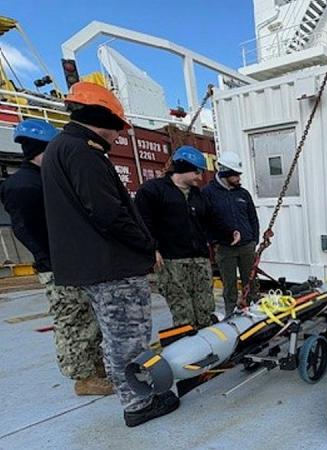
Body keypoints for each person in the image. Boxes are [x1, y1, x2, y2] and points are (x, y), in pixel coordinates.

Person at [41, 81, 178, 427]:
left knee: (116, 336)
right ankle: (138, 404)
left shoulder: (62, 149)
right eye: (116, 128)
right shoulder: (84, 153)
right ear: (101, 118)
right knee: (127, 339)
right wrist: (148, 246)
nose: (118, 136)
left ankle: (133, 393)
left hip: (95, 266)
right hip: (111, 266)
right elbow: (109, 213)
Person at [0, 119, 112, 396]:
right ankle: (84, 378)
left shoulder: (47, 179)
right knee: (73, 321)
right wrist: (53, 260)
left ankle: (94, 368)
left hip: (75, 263)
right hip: (58, 267)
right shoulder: (23, 185)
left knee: (89, 319)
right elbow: (26, 230)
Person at [135, 145, 228, 328]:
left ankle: (207, 341)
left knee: (205, 307)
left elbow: (210, 219)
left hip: (199, 259)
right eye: (197, 172)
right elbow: (143, 223)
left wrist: (228, 233)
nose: (200, 178)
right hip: (172, 261)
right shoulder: (153, 191)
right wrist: (152, 249)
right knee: (182, 309)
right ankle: (188, 343)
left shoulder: (197, 196)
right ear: (184, 168)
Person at [202, 151, 260, 315]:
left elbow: (252, 218)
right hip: (225, 248)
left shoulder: (243, 194)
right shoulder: (208, 193)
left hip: (247, 246)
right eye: (236, 175)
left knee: (251, 281)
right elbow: (205, 221)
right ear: (226, 172)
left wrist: (253, 240)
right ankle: (231, 314)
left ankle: (254, 311)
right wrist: (214, 242)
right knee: (230, 284)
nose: (239, 179)